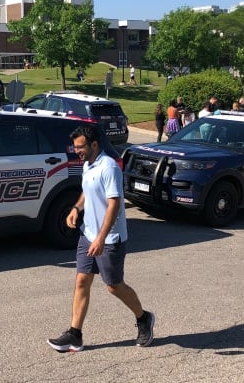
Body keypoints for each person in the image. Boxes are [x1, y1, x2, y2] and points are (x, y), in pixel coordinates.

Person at [47, 125, 155, 352]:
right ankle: (75, 335)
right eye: (74, 147)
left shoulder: (108, 168)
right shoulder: (88, 164)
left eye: (80, 147)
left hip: (110, 238)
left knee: (113, 286)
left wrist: (101, 238)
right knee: (81, 281)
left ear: (94, 144)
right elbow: (87, 190)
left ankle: (144, 317)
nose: (77, 151)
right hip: (88, 234)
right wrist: (76, 208)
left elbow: (114, 204)